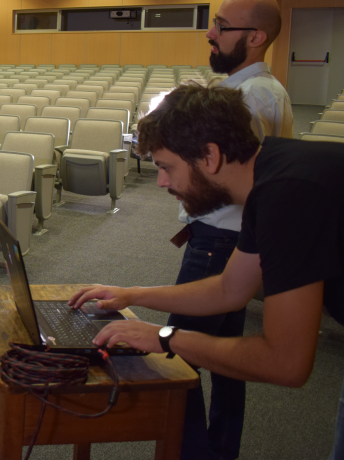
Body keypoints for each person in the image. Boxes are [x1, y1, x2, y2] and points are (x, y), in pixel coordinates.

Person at [68, 83, 344, 458]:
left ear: (210, 156)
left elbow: (287, 363)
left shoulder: (288, 195)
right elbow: (231, 289)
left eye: (167, 167)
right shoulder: (271, 176)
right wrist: (131, 295)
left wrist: (165, 337)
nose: (162, 182)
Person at [164, 0, 292, 457]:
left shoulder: (251, 95)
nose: (209, 33)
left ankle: (194, 451)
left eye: (220, 25)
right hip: (233, 239)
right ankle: (219, 449)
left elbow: (237, 178)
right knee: (224, 356)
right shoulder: (261, 87)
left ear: (255, 37)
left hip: (222, 239)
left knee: (176, 359)